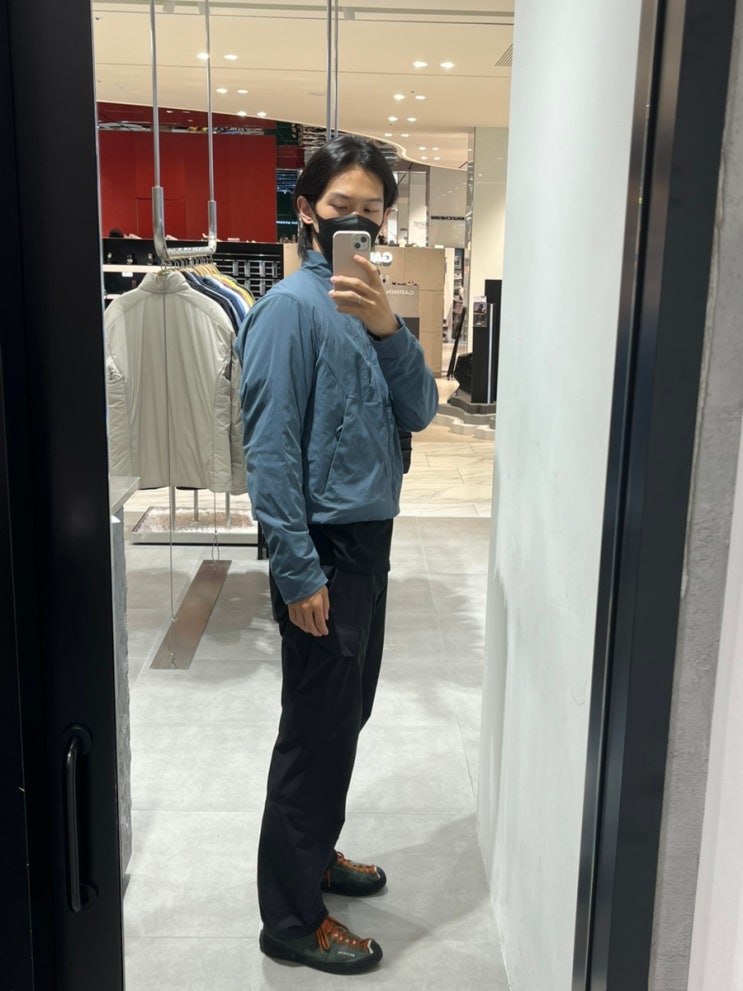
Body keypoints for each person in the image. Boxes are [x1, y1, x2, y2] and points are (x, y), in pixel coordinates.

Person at [234, 134, 438, 976]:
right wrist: (296, 569)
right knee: (314, 733)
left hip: (369, 542)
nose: (358, 223)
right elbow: (269, 450)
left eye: (371, 211)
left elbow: (420, 409)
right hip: (322, 545)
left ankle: (313, 854)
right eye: (341, 209)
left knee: (343, 718)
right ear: (307, 213)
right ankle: (289, 918)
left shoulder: (372, 307)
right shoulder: (288, 310)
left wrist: (389, 327)